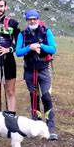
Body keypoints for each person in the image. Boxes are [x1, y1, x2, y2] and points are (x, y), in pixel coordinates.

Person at [15, 9, 58, 140]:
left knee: (46, 97)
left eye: (34, 19)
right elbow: (18, 52)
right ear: (27, 20)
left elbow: (53, 49)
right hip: (29, 70)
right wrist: (30, 48)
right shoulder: (22, 34)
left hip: (43, 70)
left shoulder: (46, 31)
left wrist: (40, 45)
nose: (32, 21)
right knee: (34, 97)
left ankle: (50, 127)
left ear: (38, 19)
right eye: (30, 19)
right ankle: (35, 125)